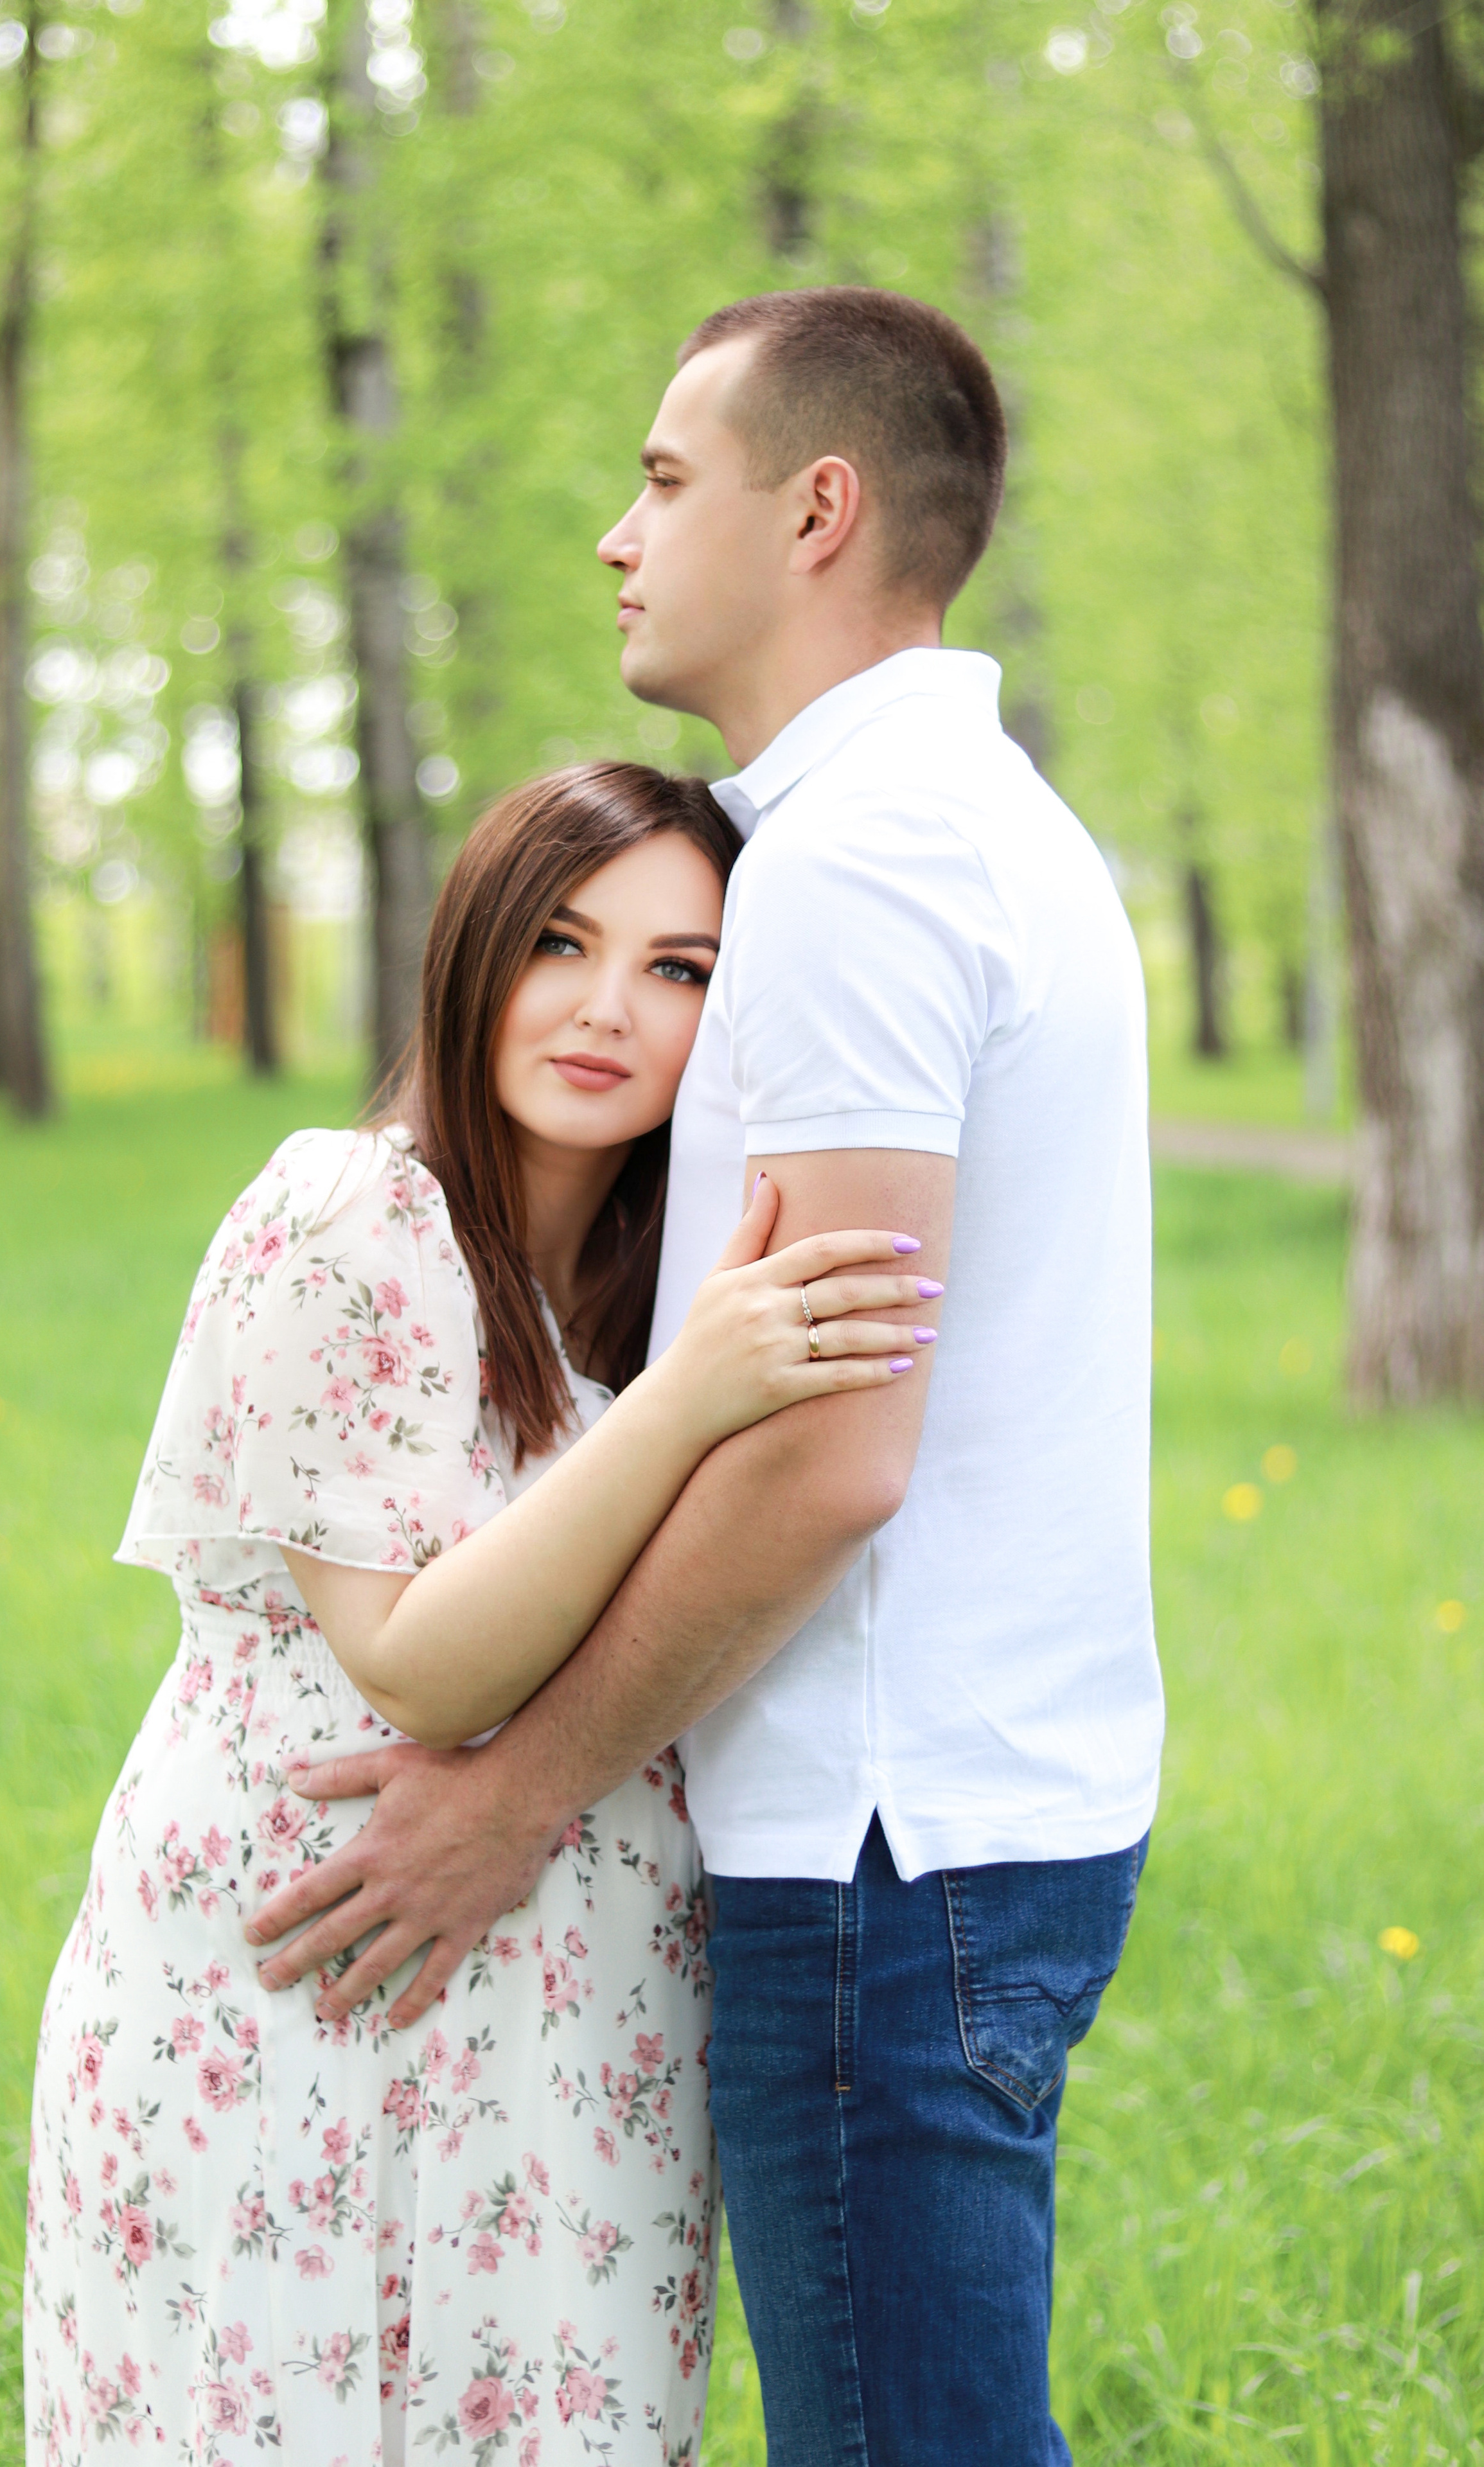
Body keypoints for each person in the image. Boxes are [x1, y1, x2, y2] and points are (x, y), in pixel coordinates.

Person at [247, 287, 1165, 2464]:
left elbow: (834, 1451)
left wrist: (517, 1793)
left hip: (885, 1838)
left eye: (667, 480)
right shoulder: (957, 819)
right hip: (968, 1808)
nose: (619, 534)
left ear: (818, 509)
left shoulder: (865, 862)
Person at [22, 760, 932, 2465]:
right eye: (560, 944)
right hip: (311, 1968)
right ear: (473, 953)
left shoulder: (645, 1294)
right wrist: (690, 1398)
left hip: (571, 2027)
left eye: (679, 969)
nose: (606, 1009)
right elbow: (419, 1666)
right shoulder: (353, 1216)